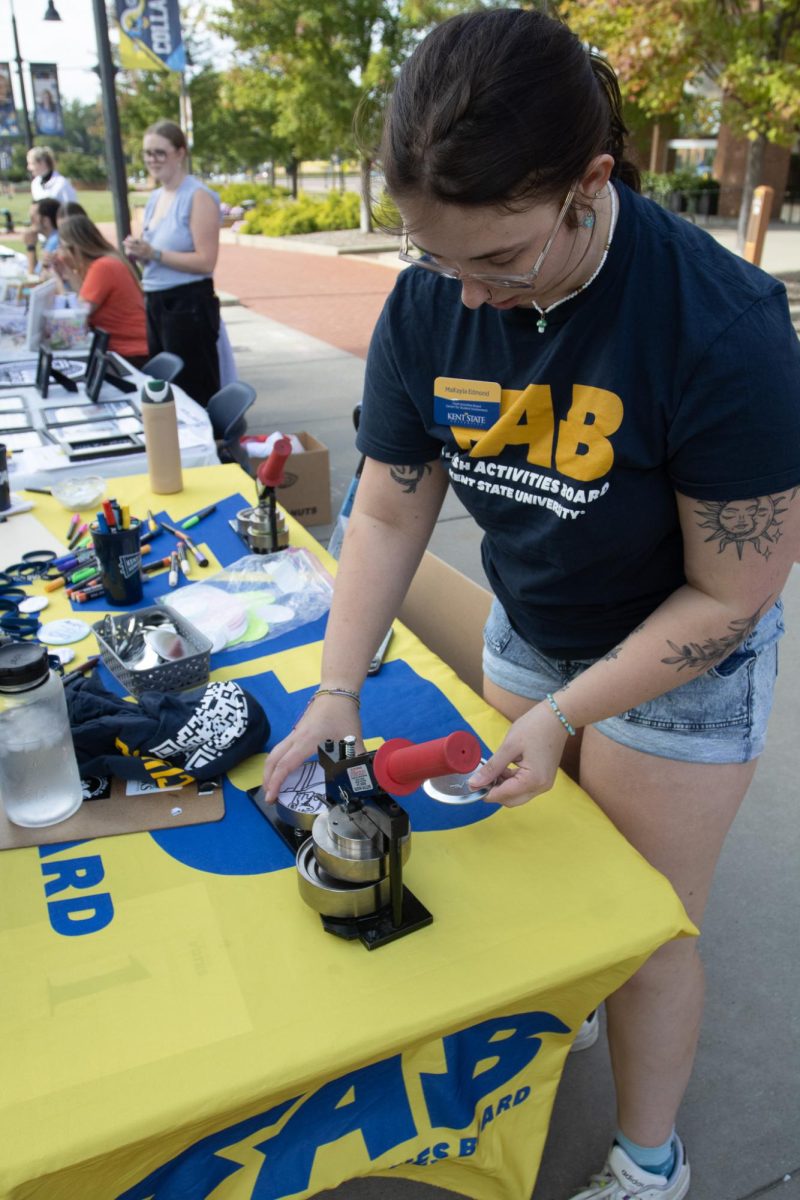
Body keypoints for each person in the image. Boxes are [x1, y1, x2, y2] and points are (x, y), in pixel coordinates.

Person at [262, 10, 800, 1200]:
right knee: (532, 886)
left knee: (643, 927)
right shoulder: (427, 304)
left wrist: (566, 719)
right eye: (432, 254)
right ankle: (573, 1014)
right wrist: (333, 691)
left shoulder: (718, 326)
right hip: (533, 630)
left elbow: (735, 586)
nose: (468, 293)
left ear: (585, 185)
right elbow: (393, 510)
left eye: (498, 260)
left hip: (685, 659)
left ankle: (648, 1160)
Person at [123, 119, 221, 407]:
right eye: (147, 153)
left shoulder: (197, 196)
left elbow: (206, 261)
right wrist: (140, 253)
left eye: (159, 152)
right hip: (156, 300)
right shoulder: (154, 198)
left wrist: (154, 254)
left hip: (188, 304)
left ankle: (208, 446)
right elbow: (155, 251)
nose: (153, 160)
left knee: (192, 388)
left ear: (180, 153)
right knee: (164, 391)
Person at [52, 212, 149, 366]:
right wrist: (66, 271)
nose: (60, 254)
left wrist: (58, 280)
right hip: (133, 349)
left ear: (75, 248)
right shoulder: (108, 261)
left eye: (62, 248)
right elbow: (84, 297)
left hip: (129, 354)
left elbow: (74, 322)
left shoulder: (103, 267)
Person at [23, 197, 60, 275]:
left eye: (32, 218)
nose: (30, 223)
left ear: (45, 221)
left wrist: (30, 247)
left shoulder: (54, 242)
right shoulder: (55, 238)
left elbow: (34, 277)